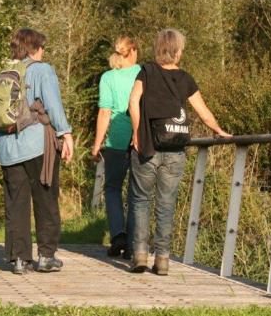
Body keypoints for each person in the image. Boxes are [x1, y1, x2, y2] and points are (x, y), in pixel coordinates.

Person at [128, 29, 230, 275]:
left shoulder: (146, 72)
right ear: (177, 51)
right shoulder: (185, 78)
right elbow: (202, 110)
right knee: (166, 203)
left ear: (158, 49)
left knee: (141, 201)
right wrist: (219, 129)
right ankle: (162, 259)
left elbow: (133, 102)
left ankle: (140, 254)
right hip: (175, 148)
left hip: (147, 145)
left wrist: (136, 131)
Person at [0, 28, 74, 275]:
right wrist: (66, 134)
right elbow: (53, 106)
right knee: (46, 198)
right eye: (42, 48)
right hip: (37, 146)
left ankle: (19, 260)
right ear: (35, 48)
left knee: (16, 203)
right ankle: (46, 256)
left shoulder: (4, 74)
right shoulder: (42, 70)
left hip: (7, 147)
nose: (44, 52)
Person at [91, 36, 140, 259]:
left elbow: (104, 112)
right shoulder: (144, 72)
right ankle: (133, 242)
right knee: (137, 192)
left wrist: (97, 144)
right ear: (132, 52)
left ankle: (118, 235)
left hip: (117, 141)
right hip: (140, 139)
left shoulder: (108, 77)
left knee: (112, 188)